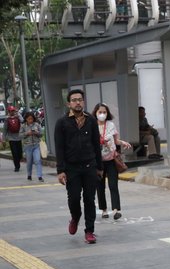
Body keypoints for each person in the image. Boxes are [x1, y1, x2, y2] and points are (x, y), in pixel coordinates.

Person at [54, 89, 103, 244]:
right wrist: (61, 170)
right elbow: (59, 148)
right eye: (74, 100)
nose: (77, 102)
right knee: (74, 198)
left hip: (90, 166)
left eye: (80, 100)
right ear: (69, 103)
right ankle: (75, 217)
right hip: (71, 168)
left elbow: (96, 145)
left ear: (83, 102)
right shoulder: (62, 123)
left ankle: (89, 231)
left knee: (90, 199)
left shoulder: (91, 121)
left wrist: (99, 167)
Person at [94, 103, 132, 220]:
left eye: (104, 112)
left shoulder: (110, 125)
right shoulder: (91, 126)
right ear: (95, 113)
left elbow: (116, 140)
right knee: (100, 186)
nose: (102, 114)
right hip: (98, 161)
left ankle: (116, 210)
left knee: (113, 185)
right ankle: (104, 210)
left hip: (111, 159)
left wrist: (123, 142)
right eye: (100, 112)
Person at [19, 112, 43, 182]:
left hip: (36, 145)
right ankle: (29, 175)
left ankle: (40, 176)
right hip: (27, 146)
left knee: (38, 160)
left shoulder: (37, 125)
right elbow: (20, 135)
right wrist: (27, 133)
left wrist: (36, 132)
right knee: (29, 162)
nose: (30, 120)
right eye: (29, 119)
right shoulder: (23, 126)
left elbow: (41, 134)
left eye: (32, 119)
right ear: (26, 119)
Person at [3, 105, 23, 172]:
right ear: (8, 111)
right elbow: (5, 129)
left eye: (13, 110)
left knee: (20, 154)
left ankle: (18, 161)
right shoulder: (7, 119)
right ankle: (17, 167)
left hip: (19, 138)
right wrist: (3, 139)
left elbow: (23, 120)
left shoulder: (18, 117)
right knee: (14, 153)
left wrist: (18, 114)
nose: (12, 112)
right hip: (11, 139)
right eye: (11, 111)